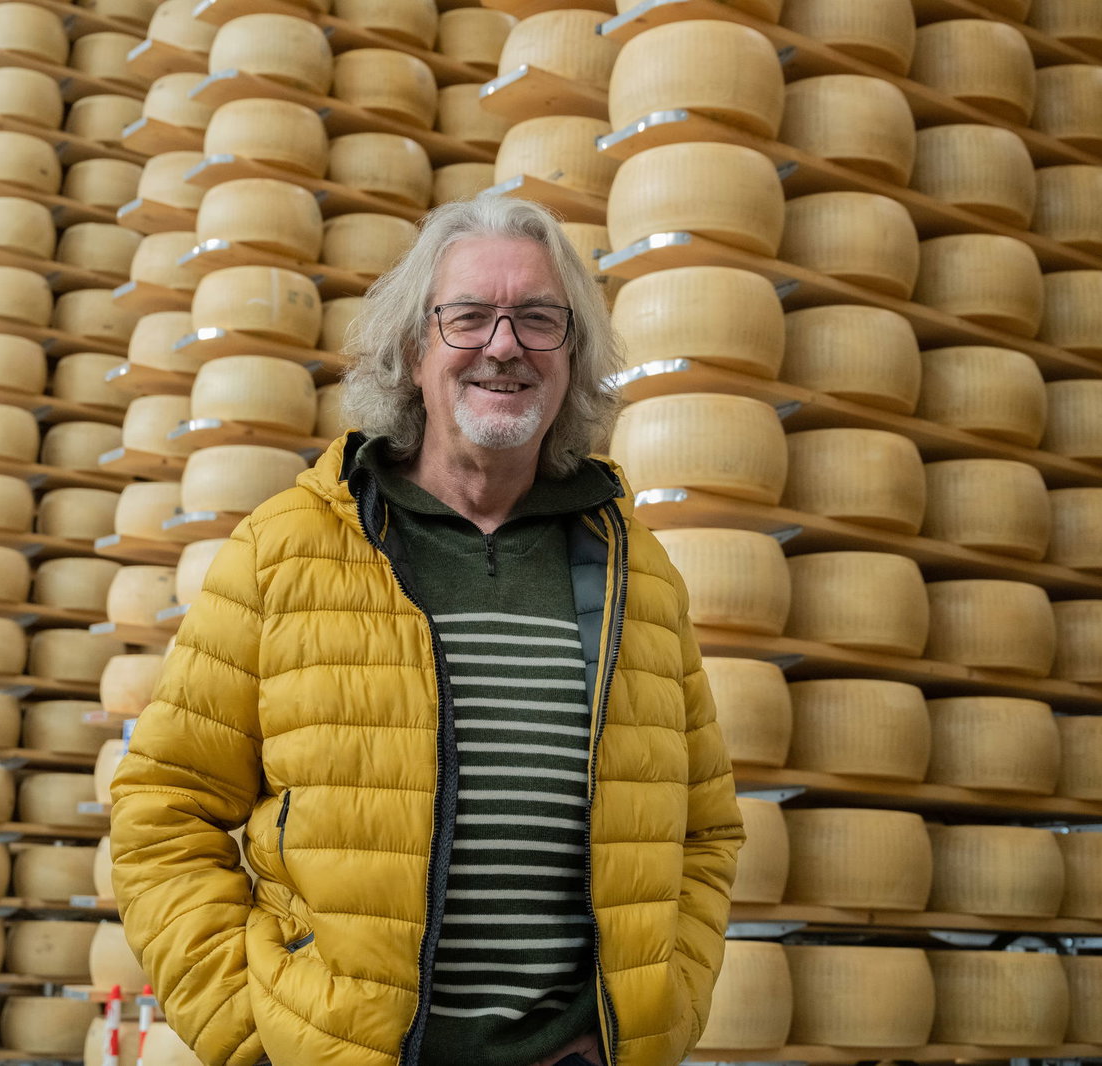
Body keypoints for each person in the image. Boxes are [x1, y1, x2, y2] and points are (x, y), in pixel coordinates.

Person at [108, 197, 744, 1066]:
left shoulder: (636, 572)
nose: (505, 345)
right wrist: (258, 1035)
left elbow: (704, 830)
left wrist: (653, 1020)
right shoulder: (285, 550)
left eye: (540, 319)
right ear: (413, 350)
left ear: (574, 357)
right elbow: (163, 809)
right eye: (468, 317)